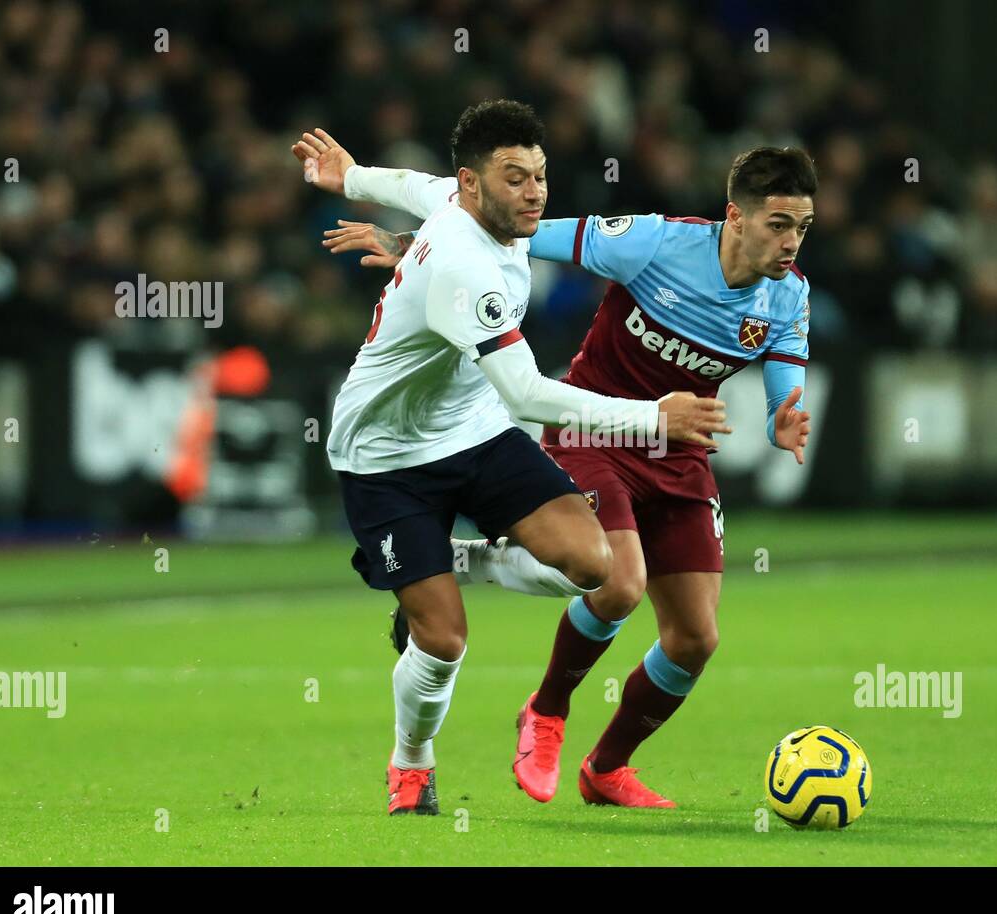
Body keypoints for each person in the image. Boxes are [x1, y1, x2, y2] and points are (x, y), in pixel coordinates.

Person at [290, 101, 728, 815]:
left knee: (594, 566)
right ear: (474, 184)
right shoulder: (468, 265)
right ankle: (412, 762)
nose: (534, 194)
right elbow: (526, 395)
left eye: (540, 177)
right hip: (385, 456)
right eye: (515, 179)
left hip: (472, 431)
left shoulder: (473, 211)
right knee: (441, 642)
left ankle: (459, 559)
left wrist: (352, 175)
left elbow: (414, 186)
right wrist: (654, 418)